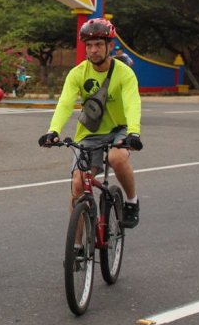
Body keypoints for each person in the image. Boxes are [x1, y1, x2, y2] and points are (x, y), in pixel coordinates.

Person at [38, 18, 143, 229]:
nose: (93, 50)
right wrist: (53, 130)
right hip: (90, 132)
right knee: (78, 185)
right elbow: (65, 103)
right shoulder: (77, 73)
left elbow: (132, 103)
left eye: (98, 45)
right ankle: (77, 251)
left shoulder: (125, 73)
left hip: (119, 129)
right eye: (89, 45)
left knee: (117, 157)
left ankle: (131, 201)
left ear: (110, 46)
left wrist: (134, 132)